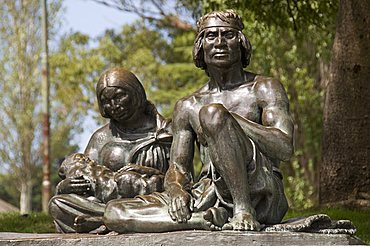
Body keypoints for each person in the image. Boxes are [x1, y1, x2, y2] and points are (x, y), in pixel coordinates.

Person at [103, 10, 294, 233]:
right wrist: (176, 191)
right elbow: (178, 168)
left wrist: (227, 120)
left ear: (241, 43)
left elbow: (284, 148)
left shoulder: (264, 88)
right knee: (114, 212)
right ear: (201, 46)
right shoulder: (188, 105)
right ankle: (204, 220)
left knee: (213, 114)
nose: (220, 43)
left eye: (228, 35)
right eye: (211, 36)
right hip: (208, 194)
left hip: (260, 192)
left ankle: (242, 210)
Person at [49, 68, 172, 233]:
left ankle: (107, 219)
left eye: (120, 96)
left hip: (150, 202)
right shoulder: (100, 138)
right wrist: (65, 186)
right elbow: (84, 173)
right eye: (106, 101)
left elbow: (182, 178)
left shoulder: (165, 132)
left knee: (159, 206)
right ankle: (110, 218)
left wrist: (145, 171)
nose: (114, 105)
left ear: (135, 93)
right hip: (105, 203)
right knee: (58, 204)